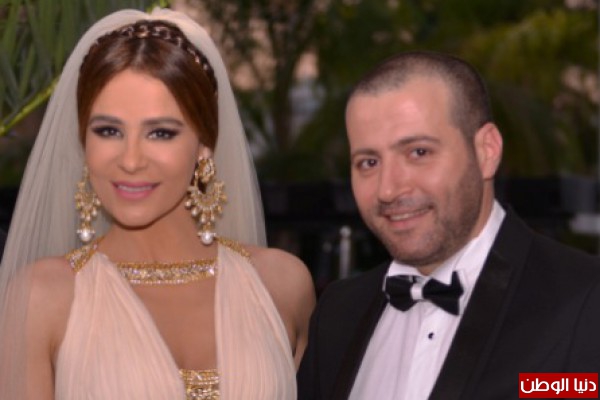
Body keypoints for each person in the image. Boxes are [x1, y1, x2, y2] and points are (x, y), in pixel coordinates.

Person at [0, 7, 315, 399]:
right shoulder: (43, 296)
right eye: (108, 130)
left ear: (204, 145)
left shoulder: (282, 285)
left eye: (161, 133)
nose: (131, 160)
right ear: (83, 142)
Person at [297, 51, 600, 399]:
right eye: (368, 162)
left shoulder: (585, 299)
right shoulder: (337, 314)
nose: (388, 189)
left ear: (486, 151)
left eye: (418, 152)